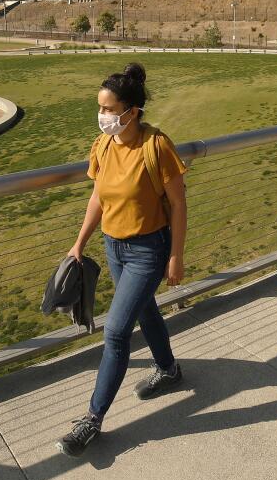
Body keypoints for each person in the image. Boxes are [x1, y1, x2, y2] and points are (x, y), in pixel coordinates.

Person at [58, 63, 189, 456]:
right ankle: (169, 370)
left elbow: (179, 204)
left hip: (149, 249)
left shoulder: (156, 146)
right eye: (100, 108)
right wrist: (79, 242)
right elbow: (98, 196)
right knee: (145, 311)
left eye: (109, 109)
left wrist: (177, 256)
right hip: (113, 247)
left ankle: (91, 420)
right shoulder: (101, 146)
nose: (103, 117)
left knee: (116, 332)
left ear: (131, 111)